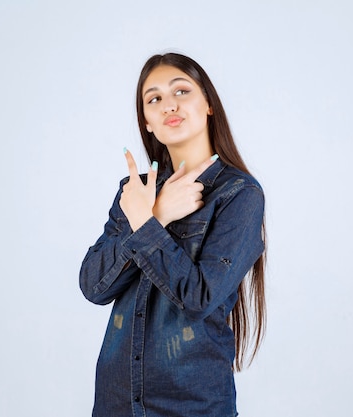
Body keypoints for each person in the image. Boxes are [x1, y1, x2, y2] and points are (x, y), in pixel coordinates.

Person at [79, 52, 266, 417]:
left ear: (209, 104)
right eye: (154, 99)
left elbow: (198, 298)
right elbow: (93, 286)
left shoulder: (239, 195)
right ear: (147, 122)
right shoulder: (134, 192)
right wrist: (157, 214)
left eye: (181, 91)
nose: (169, 105)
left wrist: (146, 227)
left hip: (193, 405)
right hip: (116, 402)